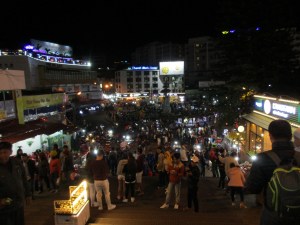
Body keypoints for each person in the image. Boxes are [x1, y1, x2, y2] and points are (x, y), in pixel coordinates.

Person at [245, 119, 297, 225]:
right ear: (290, 136)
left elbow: (251, 188)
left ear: (270, 136)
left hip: (274, 216)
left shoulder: (262, 159)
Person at [0, 141, 31, 225]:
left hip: (18, 202)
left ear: (10, 152)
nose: (3, 155)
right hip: (4, 206)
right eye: (0, 152)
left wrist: (28, 195)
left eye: (5, 152)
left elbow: (24, 179)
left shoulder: (17, 162)